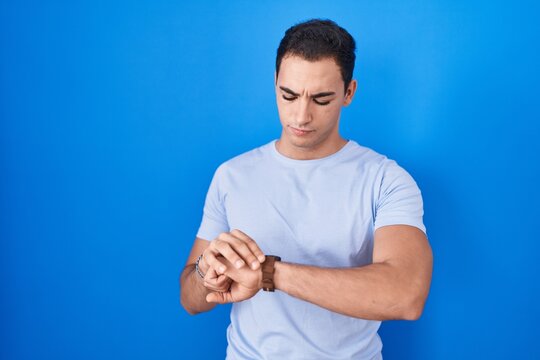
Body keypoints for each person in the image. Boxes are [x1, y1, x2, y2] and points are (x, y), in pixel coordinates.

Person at [179, 19, 433, 359]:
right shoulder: (231, 175)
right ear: (275, 83)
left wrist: (269, 273)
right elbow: (190, 299)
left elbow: (406, 294)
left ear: (349, 93)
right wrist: (206, 276)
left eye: (321, 99)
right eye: (289, 95)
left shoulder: (386, 179)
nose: (301, 115)